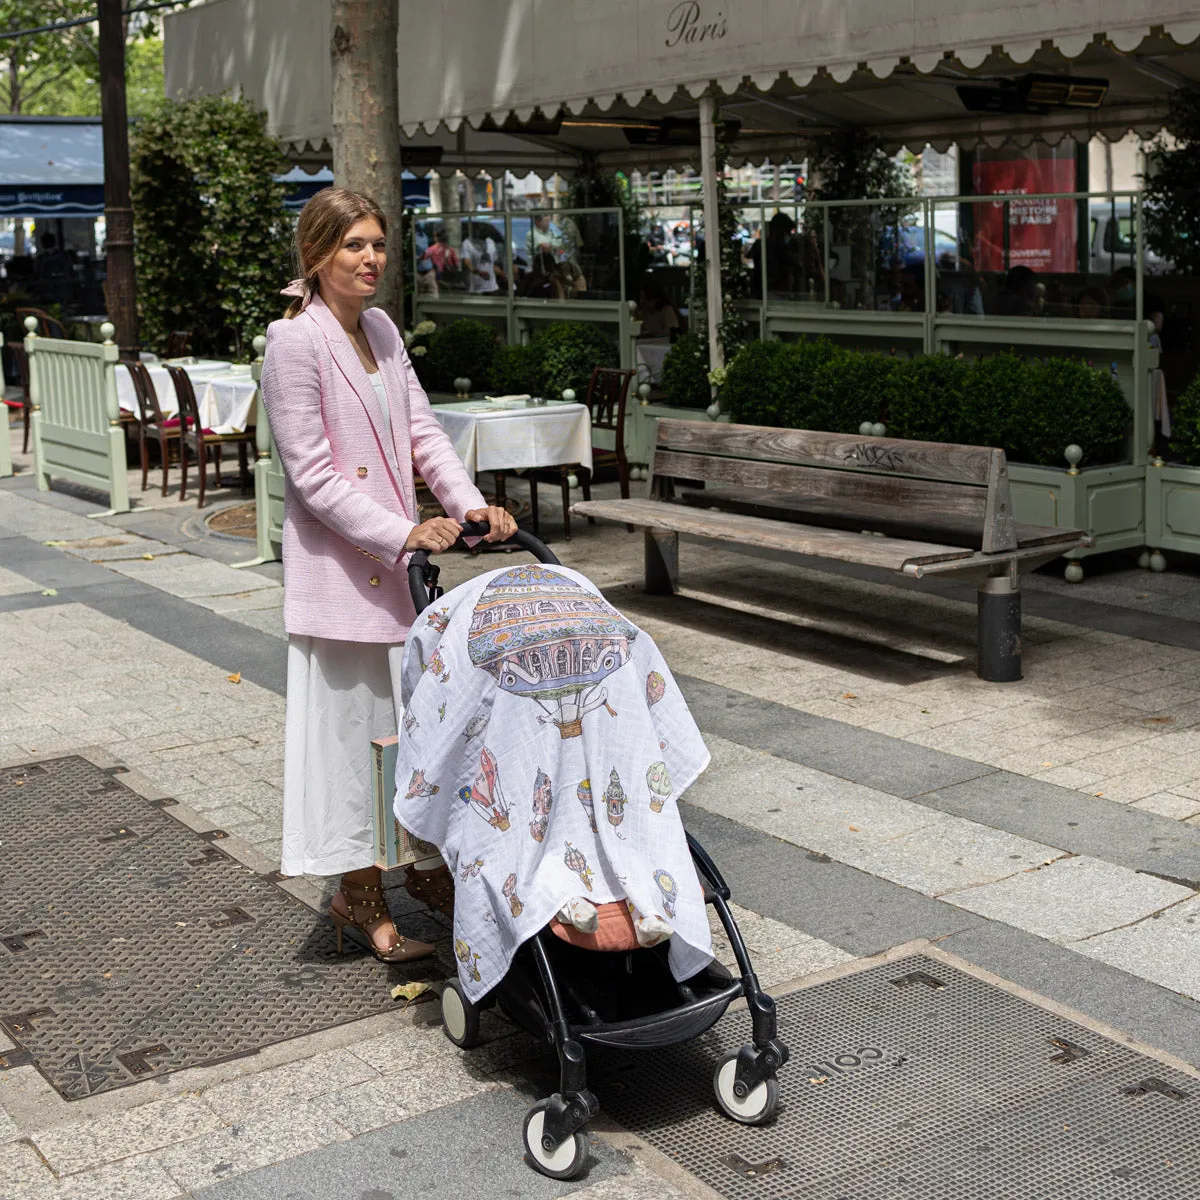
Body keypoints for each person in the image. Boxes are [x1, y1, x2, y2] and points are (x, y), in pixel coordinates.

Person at [259, 187, 516, 963]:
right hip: (344, 572)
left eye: (377, 244)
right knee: (350, 741)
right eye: (353, 247)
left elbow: (423, 434)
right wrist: (405, 530)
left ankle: (425, 865)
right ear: (317, 255)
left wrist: (470, 508)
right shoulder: (293, 344)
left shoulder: (379, 329)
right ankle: (357, 890)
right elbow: (314, 480)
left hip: (396, 574)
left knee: (413, 733)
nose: (370, 260)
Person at [462, 223, 505, 295]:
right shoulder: (467, 243)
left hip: (492, 287)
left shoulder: (490, 242)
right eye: (482, 230)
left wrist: (501, 273)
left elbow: (492, 264)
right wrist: (478, 272)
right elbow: (467, 263)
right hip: (476, 288)